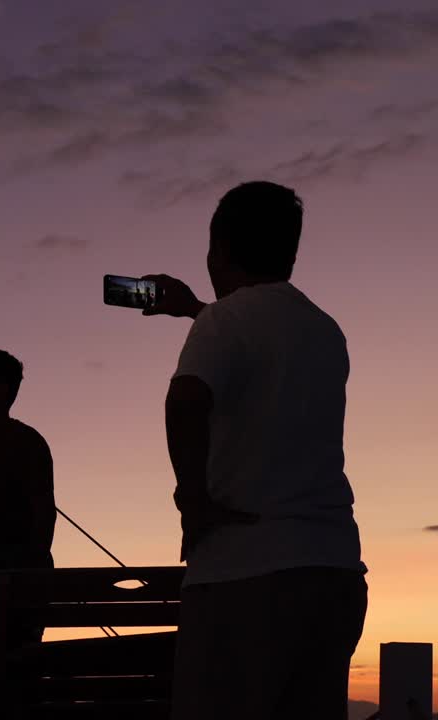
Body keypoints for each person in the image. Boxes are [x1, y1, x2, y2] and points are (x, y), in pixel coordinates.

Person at [144, 181, 367, 720]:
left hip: (243, 573)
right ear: (290, 250)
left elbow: (186, 398)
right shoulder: (324, 329)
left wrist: (191, 501)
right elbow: (262, 346)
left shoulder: (225, 321)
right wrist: (195, 308)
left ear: (217, 251)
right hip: (332, 573)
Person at [0, 350, 55, 573]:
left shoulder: (26, 441)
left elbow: (44, 511)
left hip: (19, 568)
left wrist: (29, 569)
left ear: (1, 390)